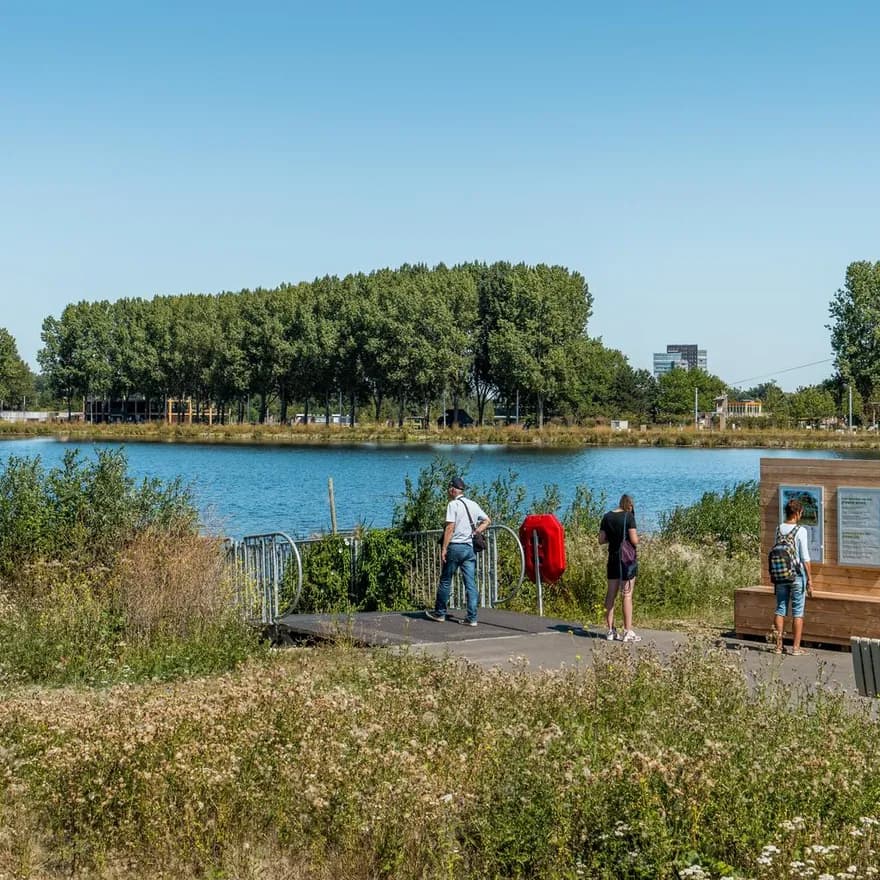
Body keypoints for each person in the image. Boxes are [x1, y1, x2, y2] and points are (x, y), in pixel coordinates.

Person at [426, 476, 491, 626]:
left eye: (449, 488)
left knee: (446, 580)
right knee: (470, 583)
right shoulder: (473, 504)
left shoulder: (453, 505)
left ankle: (440, 613)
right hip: (469, 548)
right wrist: (476, 531)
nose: (448, 491)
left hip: (455, 547)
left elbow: (450, 527)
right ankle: (472, 618)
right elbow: (487, 520)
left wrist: (444, 548)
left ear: (453, 490)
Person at [773, 497, 813, 655]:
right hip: (796, 575)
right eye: (801, 512)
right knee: (798, 611)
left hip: (780, 575)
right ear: (797, 513)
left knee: (780, 609)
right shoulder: (800, 531)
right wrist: (810, 580)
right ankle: (796, 648)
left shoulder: (778, 529)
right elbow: (805, 558)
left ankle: (778, 646)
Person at [598, 494, 641, 642]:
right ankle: (627, 631)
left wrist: (613, 538)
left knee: (611, 594)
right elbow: (634, 539)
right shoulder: (629, 517)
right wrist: (638, 539)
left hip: (613, 559)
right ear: (629, 506)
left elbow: (601, 540)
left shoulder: (607, 517)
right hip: (626, 560)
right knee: (626, 594)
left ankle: (610, 630)